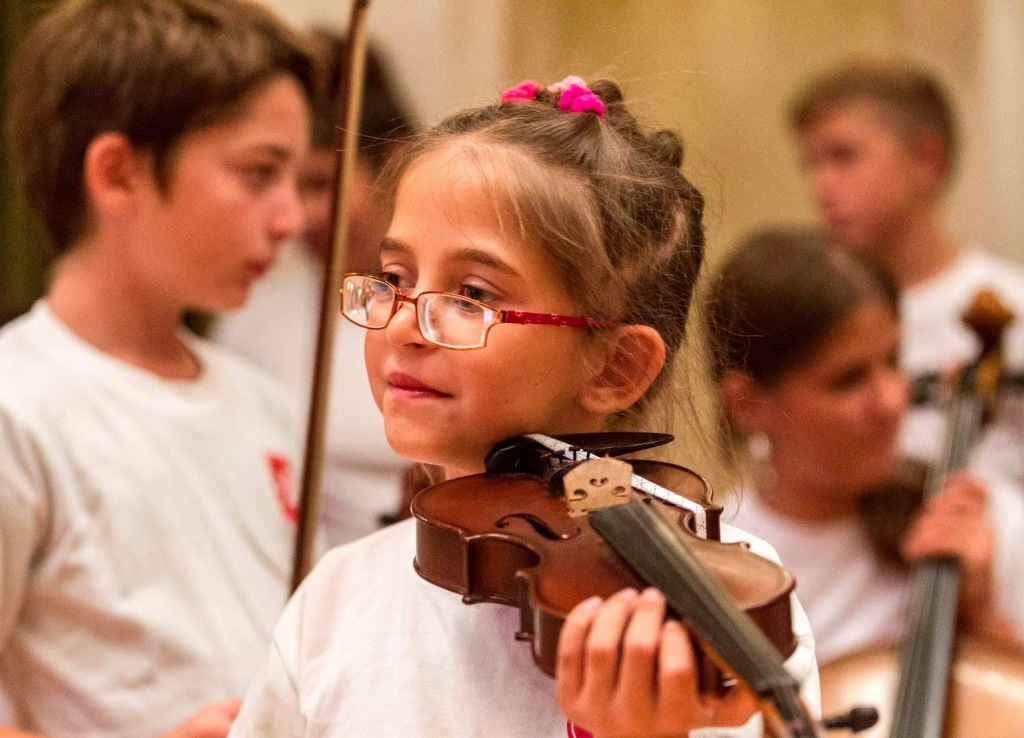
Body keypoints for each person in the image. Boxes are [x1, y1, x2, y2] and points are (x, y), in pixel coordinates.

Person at [227, 76, 819, 738]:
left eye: (472, 295)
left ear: (615, 367)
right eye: (394, 278)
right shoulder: (336, 600)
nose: (404, 324)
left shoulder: (723, 612)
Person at [0, 1, 313, 735]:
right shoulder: (18, 407)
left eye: (296, 179)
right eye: (259, 173)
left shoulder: (264, 402)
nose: (291, 218)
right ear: (118, 175)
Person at [709, 227, 1024, 666]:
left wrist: (984, 619)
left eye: (894, 361)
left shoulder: (982, 520)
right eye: (849, 380)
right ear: (747, 404)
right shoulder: (715, 566)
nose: (893, 401)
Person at [211, 29, 419, 546]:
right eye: (280, 182)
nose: (302, 216)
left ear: (393, 164)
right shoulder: (250, 311)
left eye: (321, 184)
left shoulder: (443, 315)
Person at [789, 60, 1024, 489]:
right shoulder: (816, 319)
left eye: (843, 156)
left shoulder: (1013, 305)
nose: (821, 185)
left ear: (926, 160)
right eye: (811, 164)